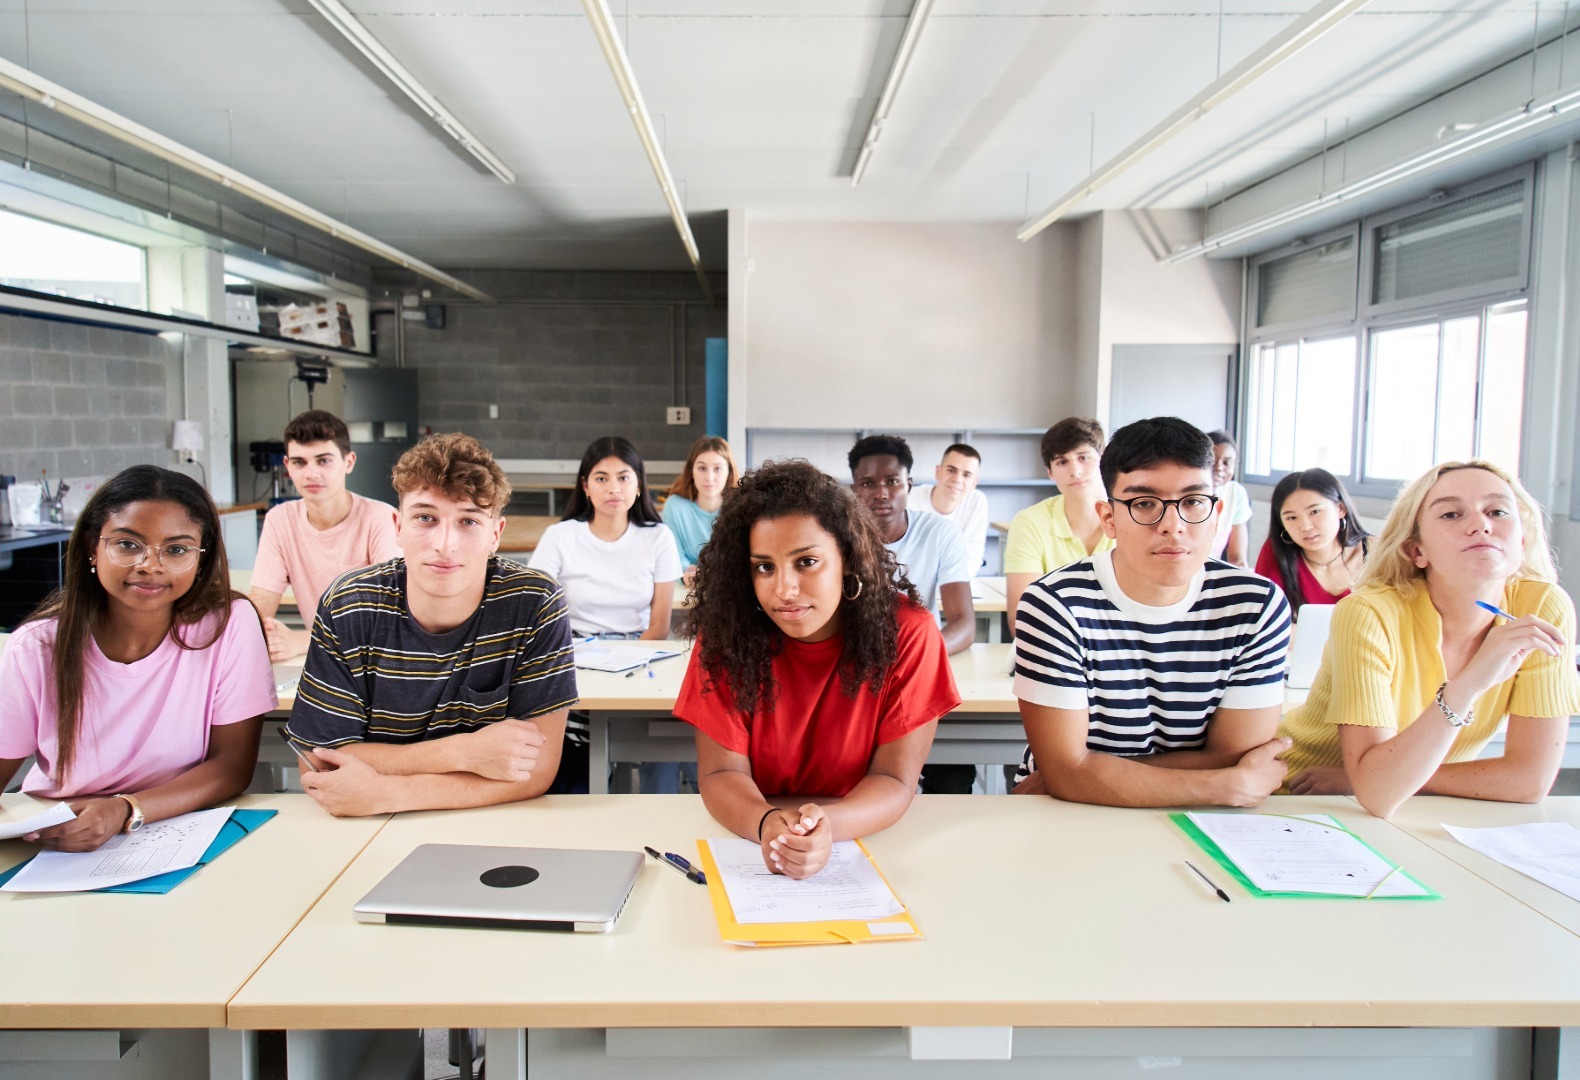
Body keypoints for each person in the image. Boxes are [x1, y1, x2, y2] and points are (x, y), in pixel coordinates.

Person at [675, 460, 960, 879]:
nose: (784, 589)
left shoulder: (910, 634)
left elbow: (895, 779)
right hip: (751, 835)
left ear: (847, 557)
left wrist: (828, 827)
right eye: (764, 566)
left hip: (870, 838)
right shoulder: (726, 636)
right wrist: (767, 824)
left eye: (806, 562)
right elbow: (721, 772)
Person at [285, 433, 578, 814]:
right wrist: (466, 752)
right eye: (425, 517)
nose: (445, 543)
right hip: (367, 828)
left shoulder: (535, 603)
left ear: (495, 535)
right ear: (398, 525)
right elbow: (320, 761)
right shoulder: (348, 606)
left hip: (489, 824)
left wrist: (388, 793)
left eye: (468, 521)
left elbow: (536, 769)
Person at [1012, 417, 1293, 808]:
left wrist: (1086, 773)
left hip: (1205, 820)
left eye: (1193, 502)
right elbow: (1065, 772)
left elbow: (1235, 757)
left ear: (1216, 513)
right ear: (1108, 518)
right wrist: (1222, 785)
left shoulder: (1255, 605)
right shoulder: (1055, 604)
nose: (1173, 526)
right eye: (1144, 504)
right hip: (1070, 815)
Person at [1280, 460, 1580, 818]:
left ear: (1522, 540)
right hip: (1296, 795)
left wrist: (1380, 777)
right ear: (1416, 551)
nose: (1481, 525)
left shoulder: (1544, 607)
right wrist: (1469, 684)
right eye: (1451, 515)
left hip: (1416, 802)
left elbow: (1529, 781)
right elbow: (1377, 794)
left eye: (1497, 511)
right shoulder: (1368, 612)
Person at [0, 465, 274, 851]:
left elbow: (232, 766)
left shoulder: (227, 624)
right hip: (59, 839)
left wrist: (124, 810)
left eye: (176, 550)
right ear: (91, 548)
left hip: (179, 831)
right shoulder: (35, 647)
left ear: (200, 559)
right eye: (128, 545)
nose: (150, 564)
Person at [531, 435, 681, 792]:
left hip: (643, 654)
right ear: (585, 486)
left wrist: (625, 664)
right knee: (576, 748)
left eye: (624, 477)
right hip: (575, 653)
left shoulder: (658, 537)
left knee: (664, 737)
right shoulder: (561, 536)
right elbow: (535, 608)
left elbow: (659, 624)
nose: (613, 487)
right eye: (601, 478)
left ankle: (657, 816)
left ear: (639, 483)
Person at [248, 410, 401, 662]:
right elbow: (261, 602)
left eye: (324, 460)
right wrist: (262, 631)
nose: (311, 473)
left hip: (377, 662)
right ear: (287, 466)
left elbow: (388, 619)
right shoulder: (279, 519)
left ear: (348, 462)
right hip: (326, 660)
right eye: (299, 462)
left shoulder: (381, 518)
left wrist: (301, 639)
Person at [848, 435, 975, 654]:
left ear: (908, 485)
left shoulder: (939, 533)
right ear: (854, 490)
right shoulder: (838, 537)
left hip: (920, 652)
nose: (881, 494)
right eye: (868, 483)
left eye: (892, 481)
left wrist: (918, 655)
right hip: (856, 655)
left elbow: (964, 624)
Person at [1004, 418, 1115, 636]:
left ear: (1103, 459)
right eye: (1062, 462)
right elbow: (1022, 617)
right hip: (1053, 651)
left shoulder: (1132, 516)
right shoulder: (1030, 522)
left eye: (1083, 458)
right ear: (1050, 472)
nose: (1075, 471)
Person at [1254, 467, 1371, 616]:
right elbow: (1264, 620)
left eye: (1315, 511)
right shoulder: (1275, 551)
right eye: (1291, 517)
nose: (1305, 526)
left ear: (1340, 509)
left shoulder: (1376, 551)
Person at [662, 435, 739, 586]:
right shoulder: (674, 507)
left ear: (729, 472)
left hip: (731, 588)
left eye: (717, 469)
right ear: (691, 471)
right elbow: (674, 557)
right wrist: (686, 572)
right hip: (689, 590)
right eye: (702, 468)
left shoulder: (739, 507)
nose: (709, 477)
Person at [910, 443, 989, 576]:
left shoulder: (977, 501)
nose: (957, 479)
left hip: (956, 582)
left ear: (974, 482)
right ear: (938, 472)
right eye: (951, 470)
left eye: (966, 475)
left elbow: (973, 556)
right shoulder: (910, 497)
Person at [1207, 431, 1251, 567]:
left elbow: (1237, 558)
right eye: (1212, 460)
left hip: (1211, 575)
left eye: (1226, 463)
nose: (1219, 467)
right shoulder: (1182, 491)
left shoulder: (1235, 493)